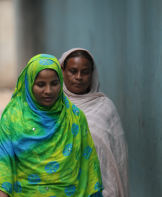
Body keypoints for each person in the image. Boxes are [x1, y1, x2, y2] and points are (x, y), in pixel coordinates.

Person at [0, 54, 103, 197]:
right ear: (29, 83)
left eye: (54, 83)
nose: (48, 91)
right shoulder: (13, 118)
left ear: (61, 82)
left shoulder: (74, 116)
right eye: (40, 85)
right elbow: (3, 167)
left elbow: (89, 166)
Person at [59, 48, 129, 197]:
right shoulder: (52, 106)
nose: (79, 77)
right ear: (62, 71)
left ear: (92, 74)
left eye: (85, 72)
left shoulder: (105, 107)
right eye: (73, 71)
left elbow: (118, 157)